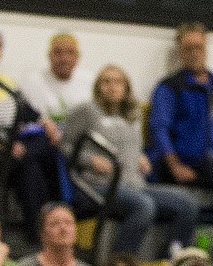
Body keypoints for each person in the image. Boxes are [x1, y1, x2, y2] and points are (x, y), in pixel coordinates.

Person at [63, 65, 199, 256]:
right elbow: (65, 145)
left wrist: (140, 156)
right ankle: (121, 264)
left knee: (188, 204)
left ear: (126, 88)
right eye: (106, 81)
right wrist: (91, 160)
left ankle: (169, 261)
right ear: (97, 87)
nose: (112, 86)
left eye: (118, 82)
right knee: (144, 206)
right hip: (97, 185)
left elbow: (130, 147)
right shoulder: (86, 110)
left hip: (134, 183)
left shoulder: (131, 115)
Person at [0, 29, 68, 235]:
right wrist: (4, 143)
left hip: (17, 145)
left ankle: (59, 218)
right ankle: (39, 229)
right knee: (30, 165)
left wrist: (46, 123)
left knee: (50, 150)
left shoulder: (5, 81)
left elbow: (26, 109)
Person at [146, 24, 213, 191]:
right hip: (194, 158)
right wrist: (175, 165)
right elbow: (159, 128)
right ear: (180, 52)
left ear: (205, 49)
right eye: (188, 49)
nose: (195, 53)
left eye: (199, 48)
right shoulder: (169, 87)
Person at [23, 34, 93, 130]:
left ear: (77, 56)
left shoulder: (90, 82)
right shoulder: (32, 82)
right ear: (49, 55)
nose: (64, 58)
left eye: (70, 52)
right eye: (58, 52)